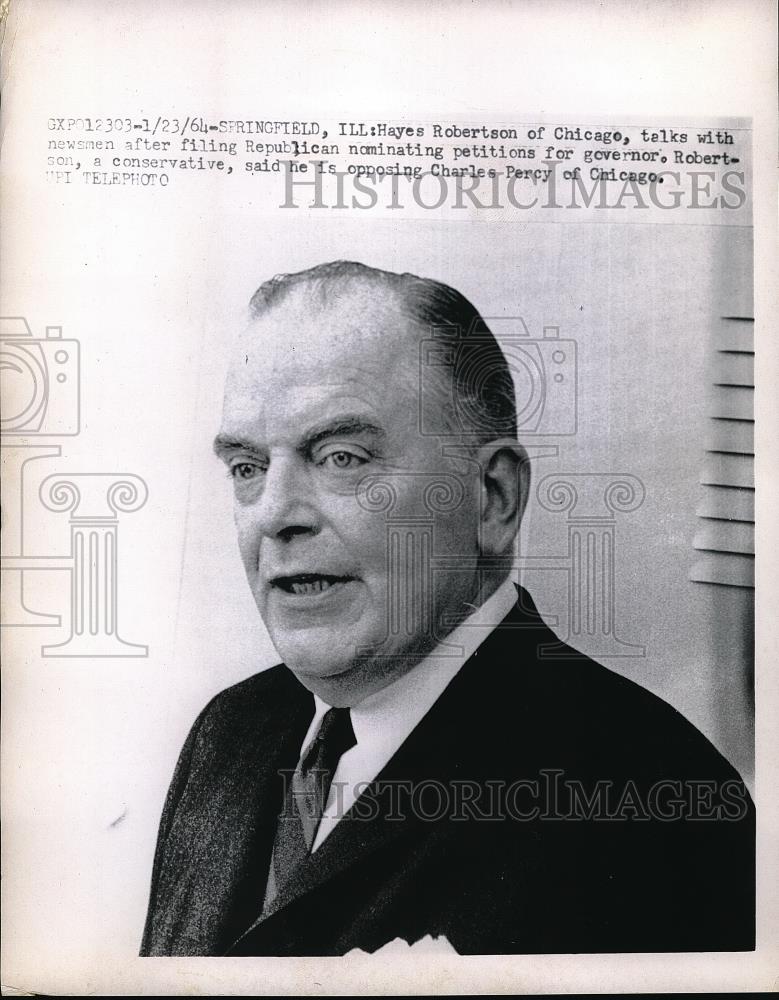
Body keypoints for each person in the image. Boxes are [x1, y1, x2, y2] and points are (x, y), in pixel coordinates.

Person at [140, 261, 754, 957]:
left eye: (341, 457)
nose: (275, 514)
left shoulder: (651, 792)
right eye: (248, 468)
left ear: (491, 497)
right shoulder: (229, 735)